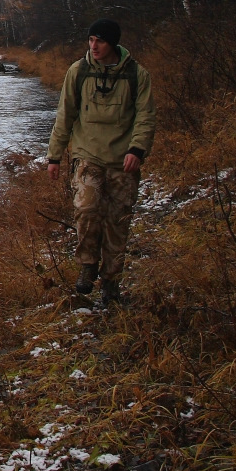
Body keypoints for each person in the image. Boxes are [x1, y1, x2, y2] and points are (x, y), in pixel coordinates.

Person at [47, 18, 156, 305]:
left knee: (118, 221)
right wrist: (54, 156)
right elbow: (65, 115)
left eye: (101, 41)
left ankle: (111, 282)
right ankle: (88, 265)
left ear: (113, 43)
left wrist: (137, 149)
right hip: (87, 156)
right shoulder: (78, 72)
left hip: (123, 161)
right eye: (91, 39)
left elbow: (145, 117)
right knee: (85, 208)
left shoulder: (137, 75)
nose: (94, 46)